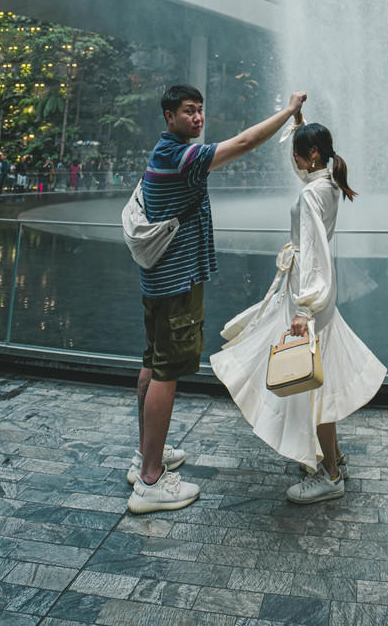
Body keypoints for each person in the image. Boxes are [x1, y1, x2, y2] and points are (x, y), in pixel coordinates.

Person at [127, 83, 309, 515]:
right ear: (169, 116)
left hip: (157, 282)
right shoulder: (183, 158)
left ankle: (145, 455)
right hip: (177, 285)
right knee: (168, 374)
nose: (198, 118)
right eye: (188, 112)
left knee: (152, 365)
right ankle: (151, 480)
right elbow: (245, 142)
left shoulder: (162, 153)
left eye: (200, 111)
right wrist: (288, 113)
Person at [210, 110, 387, 506]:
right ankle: (332, 458)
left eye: (296, 155)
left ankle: (330, 474)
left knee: (312, 385)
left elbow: (312, 253)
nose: (292, 163)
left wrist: (304, 311)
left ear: (310, 156)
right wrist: (300, 122)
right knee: (316, 379)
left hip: (306, 296)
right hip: (311, 295)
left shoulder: (311, 193)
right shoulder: (327, 184)